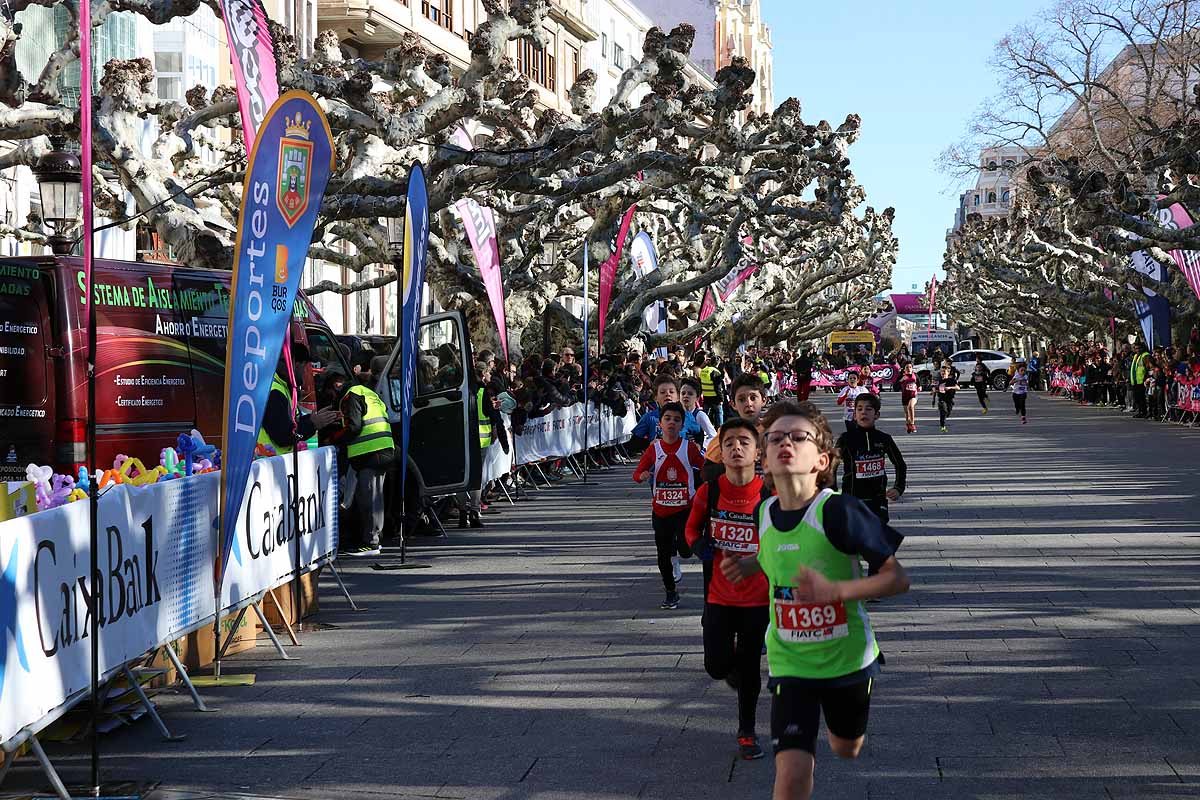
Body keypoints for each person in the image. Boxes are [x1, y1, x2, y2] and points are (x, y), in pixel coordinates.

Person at [722, 400, 909, 800]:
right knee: (790, 775)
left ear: (821, 459)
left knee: (846, 747)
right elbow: (779, 552)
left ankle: (841, 724)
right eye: (774, 438)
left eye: (797, 436)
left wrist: (838, 591)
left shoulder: (839, 510)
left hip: (847, 660)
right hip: (791, 663)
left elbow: (896, 578)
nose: (784, 443)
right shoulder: (764, 512)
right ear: (765, 461)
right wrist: (752, 565)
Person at [685, 417, 772, 760]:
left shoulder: (770, 495)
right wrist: (698, 546)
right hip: (718, 595)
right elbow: (692, 528)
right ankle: (732, 669)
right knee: (716, 667)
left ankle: (747, 732)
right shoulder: (711, 490)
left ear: (757, 452)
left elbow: (785, 539)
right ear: (720, 451)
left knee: (750, 666)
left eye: (744, 442)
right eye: (730, 442)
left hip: (756, 599)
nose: (736, 447)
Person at [319, 369, 396, 556]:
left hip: (370, 452)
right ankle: (373, 538)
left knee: (369, 497)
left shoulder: (351, 395)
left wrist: (333, 439)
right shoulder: (367, 392)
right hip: (382, 448)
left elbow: (353, 426)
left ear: (337, 385)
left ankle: (371, 542)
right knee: (374, 495)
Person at [633, 403, 703, 609]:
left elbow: (704, 465)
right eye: (667, 418)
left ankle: (678, 550)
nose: (671, 422)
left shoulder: (688, 447)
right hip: (661, 511)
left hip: (685, 510)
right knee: (663, 554)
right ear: (660, 423)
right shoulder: (654, 449)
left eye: (676, 419)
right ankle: (670, 592)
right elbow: (637, 472)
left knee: (687, 549)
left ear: (682, 424)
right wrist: (643, 475)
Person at [836, 393, 906, 526]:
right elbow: (830, 467)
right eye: (860, 409)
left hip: (878, 499)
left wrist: (898, 488)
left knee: (877, 537)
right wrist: (831, 493)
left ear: (876, 415)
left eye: (869, 409)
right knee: (855, 540)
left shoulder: (884, 439)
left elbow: (900, 464)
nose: (864, 412)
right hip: (852, 499)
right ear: (854, 415)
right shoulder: (845, 439)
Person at [680, 378, 718, 448]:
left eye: (690, 394)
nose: (686, 396)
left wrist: (700, 445)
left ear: (697, 398)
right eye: (683, 393)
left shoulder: (700, 415)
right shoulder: (677, 414)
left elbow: (714, 437)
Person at [1129, 342, 1150, 418]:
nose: (1137, 350)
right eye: (1136, 348)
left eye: (1138, 348)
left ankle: (1143, 411)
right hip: (1135, 380)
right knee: (1137, 397)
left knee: (1142, 398)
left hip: (1141, 380)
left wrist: (1146, 378)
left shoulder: (1145, 355)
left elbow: (1148, 368)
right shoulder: (1135, 356)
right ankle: (1140, 411)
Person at [935, 364, 957, 433]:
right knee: (943, 411)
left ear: (948, 373)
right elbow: (935, 389)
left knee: (948, 412)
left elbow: (958, 387)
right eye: (942, 371)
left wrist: (950, 387)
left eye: (944, 371)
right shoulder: (938, 381)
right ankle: (942, 426)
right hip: (942, 399)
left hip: (949, 399)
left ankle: (945, 416)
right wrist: (934, 391)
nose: (943, 373)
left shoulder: (951, 380)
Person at [899, 363, 919, 434]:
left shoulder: (915, 375)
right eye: (907, 367)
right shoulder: (902, 376)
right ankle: (908, 425)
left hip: (913, 395)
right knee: (907, 413)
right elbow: (896, 386)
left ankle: (912, 424)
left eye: (910, 367)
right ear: (904, 369)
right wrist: (901, 380)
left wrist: (919, 387)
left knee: (910, 407)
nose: (909, 369)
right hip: (905, 396)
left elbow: (919, 384)